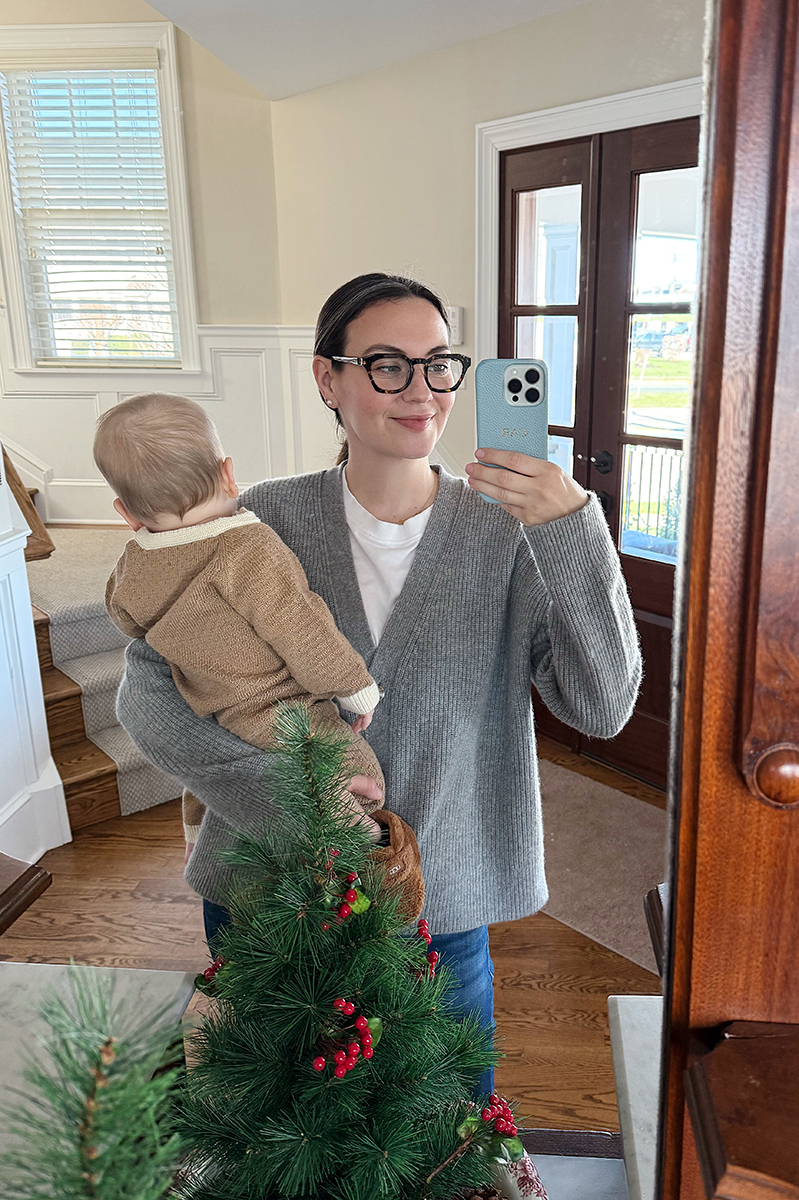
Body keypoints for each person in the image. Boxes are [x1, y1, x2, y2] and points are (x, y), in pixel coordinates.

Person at [116, 272, 642, 1098]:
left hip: (442, 899)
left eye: (438, 364)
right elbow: (147, 693)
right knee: (276, 1125)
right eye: (386, 364)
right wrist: (304, 801)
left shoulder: (512, 531)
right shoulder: (257, 518)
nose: (420, 389)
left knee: (445, 1132)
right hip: (271, 888)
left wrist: (572, 527)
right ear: (327, 378)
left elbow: (602, 706)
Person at [93, 392, 389, 840]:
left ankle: (198, 833)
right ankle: (352, 855)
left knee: (211, 779)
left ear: (126, 514)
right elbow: (301, 627)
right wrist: (354, 688)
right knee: (362, 779)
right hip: (283, 707)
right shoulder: (246, 547)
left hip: (215, 712)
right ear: (228, 475)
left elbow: (126, 619)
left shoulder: (133, 567)